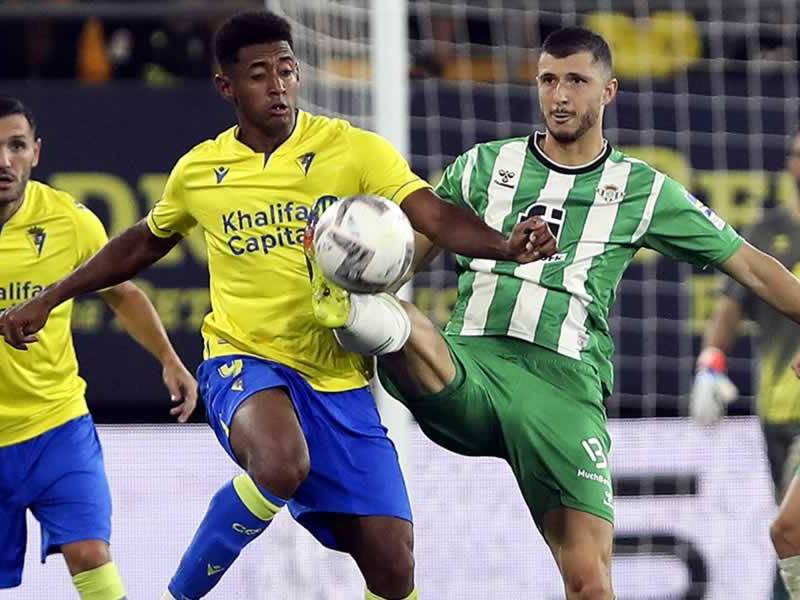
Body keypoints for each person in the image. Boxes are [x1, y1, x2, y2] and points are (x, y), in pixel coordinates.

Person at [0, 12, 554, 600]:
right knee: (281, 463)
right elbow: (140, 245)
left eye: (287, 70)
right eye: (260, 74)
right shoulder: (201, 170)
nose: (279, 85)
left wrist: (503, 245)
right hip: (242, 361)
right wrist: (52, 297)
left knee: (394, 568)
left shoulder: (351, 150)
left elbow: (434, 216)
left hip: (338, 378)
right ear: (226, 87)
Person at [316, 27, 800, 599]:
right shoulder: (483, 167)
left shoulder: (642, 191)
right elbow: (403, 263)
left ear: (609, 91)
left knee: (590, 583)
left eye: (576, 80)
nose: (560, 95)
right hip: (473, 367)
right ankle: (339, 305)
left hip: (563, 390)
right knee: (392, 314)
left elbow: (753, 268)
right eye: (549, 80)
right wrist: (354, 264)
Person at [0, 97, 197, 599]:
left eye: (16, 146)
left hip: (56, 425)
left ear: (36, 152)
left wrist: (169, 359)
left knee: (90, 556)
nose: (4, 161)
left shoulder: (69, 221)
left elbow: (123, 292)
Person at [692, 131, 800, 600]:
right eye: (798, 154)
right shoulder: (767, 231)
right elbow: (730, 309)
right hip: (774, 408)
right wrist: (710, 365)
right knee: (787, 533)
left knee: (790, 532)